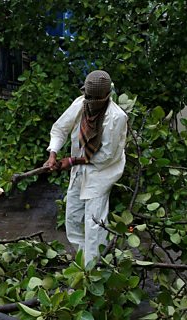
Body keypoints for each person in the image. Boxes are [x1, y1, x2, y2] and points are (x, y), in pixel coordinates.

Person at [43, 70, 128, 266]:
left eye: (95, 98)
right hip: (80, 170)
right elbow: (60, 128)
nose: (90, 102)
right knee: (72, 220)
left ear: (107, 96)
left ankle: (92, 272)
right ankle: (84, 263)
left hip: (102, 173)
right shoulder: (80, 104)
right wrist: (53, 154)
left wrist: (71, 161)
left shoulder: (116, 117)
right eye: (88, 97)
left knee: (94, 226)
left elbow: (106, 156)